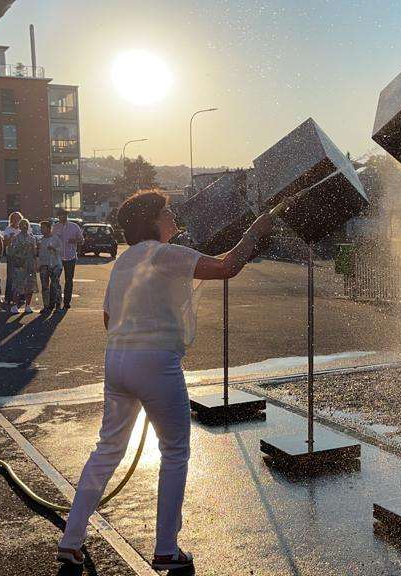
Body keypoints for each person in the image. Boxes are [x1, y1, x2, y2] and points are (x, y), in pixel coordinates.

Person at [56, 191, 276, 570]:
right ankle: (165, 549)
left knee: (107, 449)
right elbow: (226, 266)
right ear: (154, 220)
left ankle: (71, 538)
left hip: (117, 361)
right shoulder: (165, 254)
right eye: (167, 212)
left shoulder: (124, 262)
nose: (173, 216)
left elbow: (109, 319)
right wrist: (256, 232)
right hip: (156, 362)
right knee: (175, 451)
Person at [53, 208, 83, 310]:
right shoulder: (55, 227)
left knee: (68, 280)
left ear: (67, 216)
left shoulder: (74, 227)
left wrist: (75, 240)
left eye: (64, 215)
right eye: (60, 215)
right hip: (58, 257)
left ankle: (67, 302)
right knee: (55, 279)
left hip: (71, 257)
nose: (63, 217)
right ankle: (57, 301)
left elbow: (81, 240)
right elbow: (52, 240)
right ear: (58, 216)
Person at [7, 219, 38, 314]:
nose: (24, 227)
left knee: (30, 285)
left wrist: (36, 263)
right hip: (20, 264)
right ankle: (14, 305)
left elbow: (34, 253)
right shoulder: (15, 238)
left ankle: (28, 305)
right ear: (19, 227)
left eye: (26, 225)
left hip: (30, 264)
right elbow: (11, 252)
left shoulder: (32, 238)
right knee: (17, 285)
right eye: (22, 225)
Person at [37, 220, 63, 314]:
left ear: (49, 228)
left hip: (55, 265)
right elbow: (39, 254)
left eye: (43, 228)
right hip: (44, 265)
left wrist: (54, 249)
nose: (41, 230)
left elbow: (61, 251)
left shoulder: (56, 238)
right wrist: (38, 265)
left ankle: (57, 305)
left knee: (55, 285)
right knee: (44, 286)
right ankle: (46, 306)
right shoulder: (40, 240)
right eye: (41, 228)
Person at [1, 211, 23, 309]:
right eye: (14, 218)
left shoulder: (24, 229)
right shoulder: (8, 229)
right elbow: (4, 243)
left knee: (22, 276)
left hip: (22, 256)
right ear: (11, 220)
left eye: (18, 218)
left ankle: (21, 296)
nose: (16, 220)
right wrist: (10, 238)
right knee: (11, 277)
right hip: (11, 256)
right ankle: (8, 297)